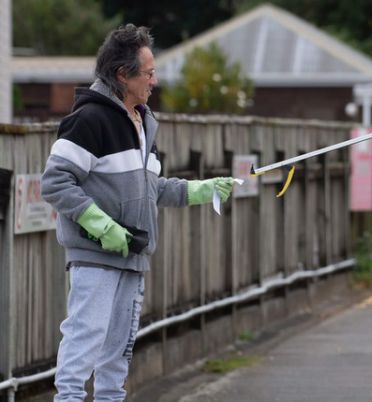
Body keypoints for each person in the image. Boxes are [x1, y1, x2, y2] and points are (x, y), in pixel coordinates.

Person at [41, 24, 235, 401]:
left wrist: (202, 190)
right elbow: (55, 182)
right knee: (85, 342)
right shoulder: (89, 121)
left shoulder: (143, 124)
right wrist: (103, 228)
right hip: (96, 258)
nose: (154, 81)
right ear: (122, 75)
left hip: (133, 256)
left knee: (118, 357)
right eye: (148, 73)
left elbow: (153, 189)